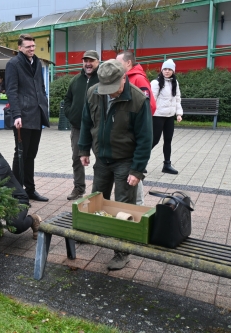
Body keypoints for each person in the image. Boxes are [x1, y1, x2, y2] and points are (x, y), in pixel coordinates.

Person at [78, 59, 152, 271]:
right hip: (102, 157)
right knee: (96, 199)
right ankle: (91, 233)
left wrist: (137, 169)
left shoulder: (138, 99)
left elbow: (145, 138)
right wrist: (83, 149)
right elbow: (86, 122)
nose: (109, 93)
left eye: (113, 88)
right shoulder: (93, 92)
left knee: (122, 207)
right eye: (105, 88)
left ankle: (122, 253)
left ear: (123, 79)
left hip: (125, 161)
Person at [5, 34, 50, 202]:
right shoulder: (13, 64)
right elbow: (11, 91)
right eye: (28, 47)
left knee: (31, 154)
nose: (31, 49)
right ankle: (16, 191)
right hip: (23, 117)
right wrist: (16, 114)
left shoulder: (37, 62)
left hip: (37, 115)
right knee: (21, 155)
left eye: (33, 46)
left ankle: (30, 190)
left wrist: (43, 102)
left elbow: (40, 86)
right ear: (20, 48)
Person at [116, 50, 156, 206]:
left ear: (128, 63)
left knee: (134, 170)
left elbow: (149, 105)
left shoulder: (138, 79)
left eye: (118, 63)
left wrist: (137, 125)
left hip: (133, 134)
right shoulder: (125, 77)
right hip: (125, 134)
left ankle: (138, 206)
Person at [63, 50, 100, 201]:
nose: (88, 63)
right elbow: (67, 100)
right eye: (85, 60)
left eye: (91, 60)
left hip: (97, 128)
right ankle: (79, 188)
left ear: (98, 62)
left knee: (101, 160)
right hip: (78, 127)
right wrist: (70, 114)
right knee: (77, 159)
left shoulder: (103, 80)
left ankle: (98, 191)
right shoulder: (75, 80)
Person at [150, 59, 183, 174]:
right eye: (165, 69)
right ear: (161, 70)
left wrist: (179, 113)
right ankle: (139, 162)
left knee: (168, 140)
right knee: (154, 140)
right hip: (157, 116)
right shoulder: (156, 83)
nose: (167, 71)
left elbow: (177, 99)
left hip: (169, 117)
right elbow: (151, 100)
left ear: (173, 71)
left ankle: (167, 165)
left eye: (169, 69)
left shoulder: (175, 83)